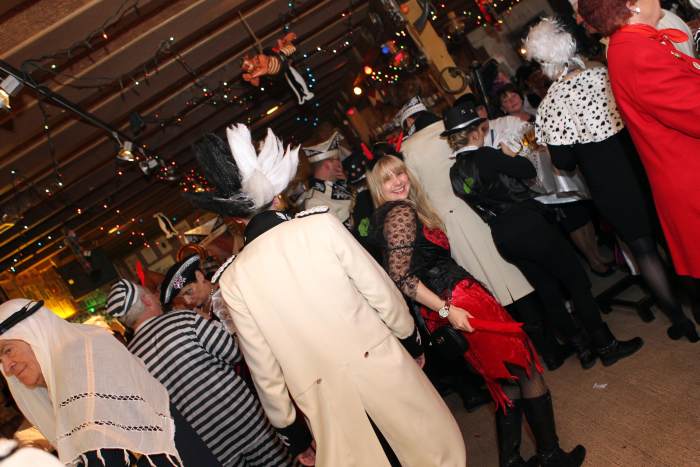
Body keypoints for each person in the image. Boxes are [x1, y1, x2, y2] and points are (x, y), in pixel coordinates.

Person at [366, 154, 585, 467]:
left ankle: (511, 460)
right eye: (388, 178)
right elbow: (402, 278)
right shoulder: (400, 213)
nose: (398, 181)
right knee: (524, 367)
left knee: (505, 376)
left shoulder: (391, 214)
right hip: (458, 304)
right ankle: (551, 456)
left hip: (456, 302)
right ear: (378, 187)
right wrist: (448, 310)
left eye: (399, 173)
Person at [526, 16, 699, 341]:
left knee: (644, 251)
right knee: (673, 241)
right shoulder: (606, 75)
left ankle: (680, 322)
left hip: (609, 186)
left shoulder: (551, 105)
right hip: (643, 167)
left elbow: (564, 164)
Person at [445, 104, 645, 368]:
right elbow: (527, 171)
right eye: (480, 128)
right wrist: (510, 156)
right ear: (473, 133)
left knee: (547, 290)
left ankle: (582, 349)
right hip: (529, 226)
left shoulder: (455, 173)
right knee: (575, 280)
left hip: (503, 236)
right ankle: (606, 345)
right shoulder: (487, 155)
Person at [400, 94, 573, 371]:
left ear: (409, 120)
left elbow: (418, 197)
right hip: (485, 210)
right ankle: (551, 347)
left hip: (454, 224)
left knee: (492, 292)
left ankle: (523, 355)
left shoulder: (409, 149)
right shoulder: (449, 128)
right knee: (519, 280)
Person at [106, 279, 297, 467]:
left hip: (211, 448)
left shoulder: (130, 360)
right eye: (151, 294)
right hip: (249, 425)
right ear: (146, 300)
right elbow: (234, 352)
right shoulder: (182, 319)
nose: (157, 298)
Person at [0, 299, 182, 467]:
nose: (7, 367)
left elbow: (106, 453)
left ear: (35, 334)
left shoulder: (79, 358)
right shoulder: (64, 370)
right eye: (0, 360)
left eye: (8, 350)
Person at [159, 254, 236, 333]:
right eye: (181, 298)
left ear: (199, 276)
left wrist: (208, 321)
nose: (188, 301)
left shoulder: (224, 292)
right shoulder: (199, 309)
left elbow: (235, 333)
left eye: (189, 291)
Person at [301, 131, 353, 226]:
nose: (340, 164)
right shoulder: (315, 202)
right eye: (338, 159)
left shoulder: (336, 186)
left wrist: (345, 185)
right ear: (328, 165)